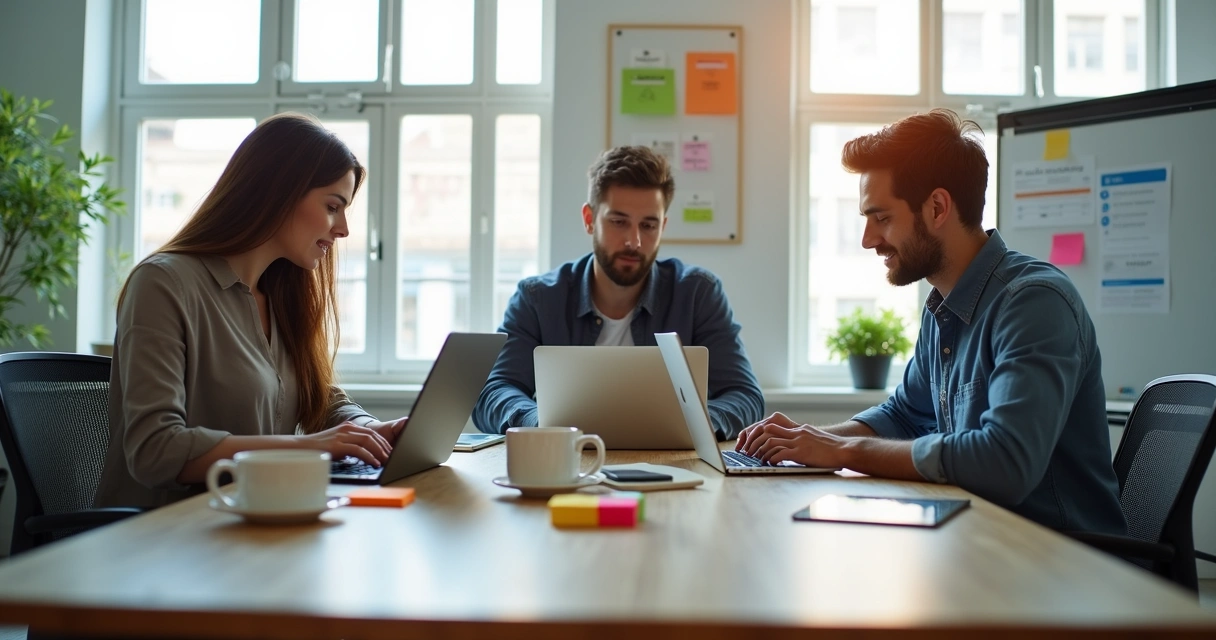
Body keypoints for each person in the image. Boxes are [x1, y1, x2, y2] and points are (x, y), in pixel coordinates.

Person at [737, 109, 1126, 534]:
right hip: (981, 539)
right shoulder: (943, 304)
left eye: (881, 217)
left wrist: (846, 450)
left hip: (1061, 564)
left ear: (938, 207)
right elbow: (905, 415)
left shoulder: (1033, 304)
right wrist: (807, 443)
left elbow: (1006, 462)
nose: (867, 239)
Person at [95, 113, 407, 509]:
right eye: (332, 206)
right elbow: (155, 450)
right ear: (279, 192)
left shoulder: (280, 293)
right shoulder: (164, 284)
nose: (343, 228)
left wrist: (370, 430)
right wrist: (308, 448)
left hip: (256, 519)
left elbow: (318, 398)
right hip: (165, 539)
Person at [473, 145, 763, 440]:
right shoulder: (538, 298)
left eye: (648, 225)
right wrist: (543, 424)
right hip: (569, 465)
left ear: (662, 226)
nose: (634, 241)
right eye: (619, 222)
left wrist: (693, 424)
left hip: (673, 466)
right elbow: (493, 392)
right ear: (589, 219)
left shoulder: (697, 293)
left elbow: (745, 396)